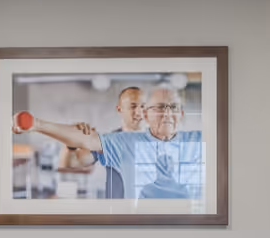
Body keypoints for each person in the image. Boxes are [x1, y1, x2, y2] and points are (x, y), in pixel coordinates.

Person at [17, 84, 203, 200]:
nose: (168, 113)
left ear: (182, 113)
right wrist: (37, 124)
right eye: (161, 107)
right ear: (147, 114)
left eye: (174, 107)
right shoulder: (122, 141)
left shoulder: (197, 140)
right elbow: (75, 156)